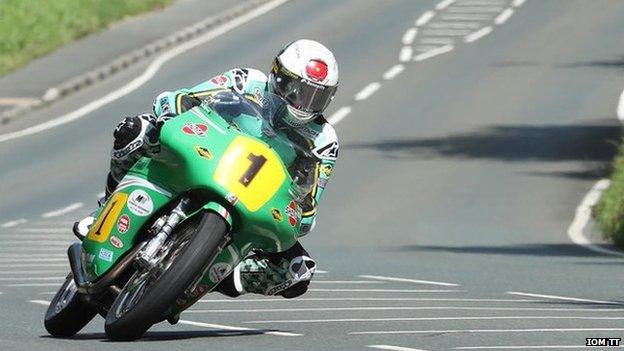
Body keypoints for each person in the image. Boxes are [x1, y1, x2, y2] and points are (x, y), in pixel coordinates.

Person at [76, 39, 340, 299]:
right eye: (300, 91)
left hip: (253, 199)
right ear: (279, 77)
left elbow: (308, 207)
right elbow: (181, 99)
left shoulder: (324, 140)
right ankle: (104, 208)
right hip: (204, 157)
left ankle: (219, 273)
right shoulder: (245, 81)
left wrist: (295, 213)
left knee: (298, 272)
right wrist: (169, 117)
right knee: (135, 130)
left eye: (318, 97)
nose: (304, 104)